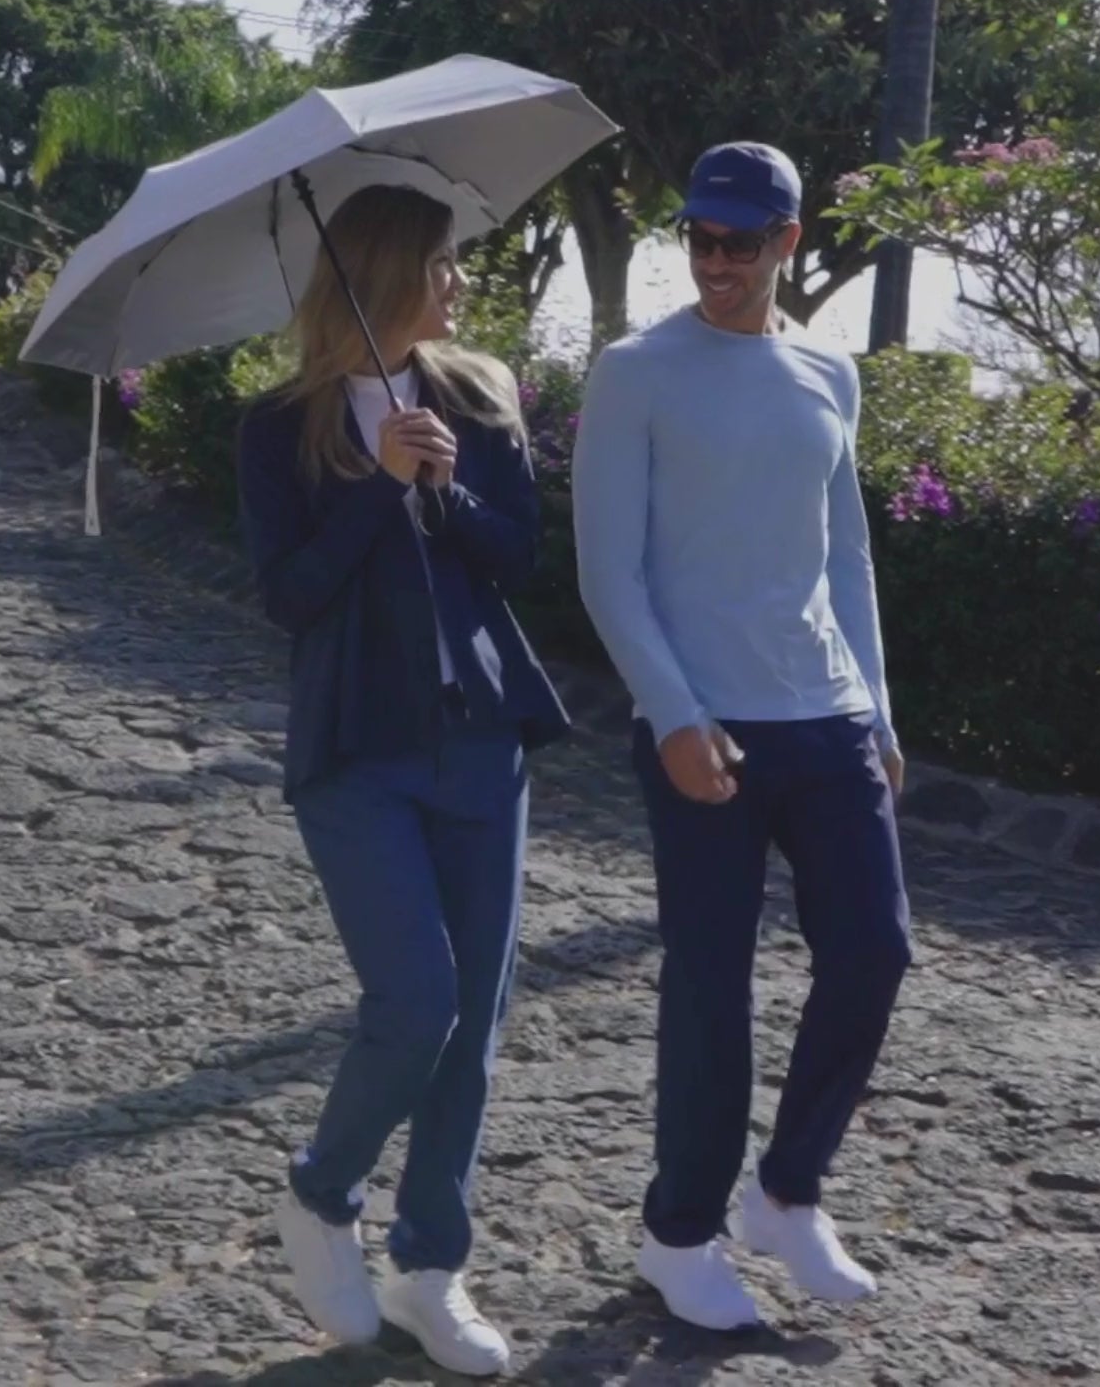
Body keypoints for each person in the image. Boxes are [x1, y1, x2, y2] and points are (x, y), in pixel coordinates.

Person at [571, 142, 912, 1332]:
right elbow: (607, 571)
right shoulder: (635, 372)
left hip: (825, 717)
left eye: (739, 242)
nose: (714, 262)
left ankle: (785, 1194)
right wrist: (672, 715)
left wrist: (876, 709)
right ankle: (679, 1235)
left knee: (873, 953)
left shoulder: (827, 371)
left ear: (787, 241)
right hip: (702, 726)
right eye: (699, 240)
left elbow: (844, 554)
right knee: (711, 989)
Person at [237, 183, 569, 1377]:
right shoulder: (279, 426)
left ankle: (430, 1270)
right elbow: (291, 597)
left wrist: (444, 486)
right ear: (383, 274)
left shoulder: (476, 396)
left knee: (470, 1028)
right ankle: (321, 1194)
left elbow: (517, 557)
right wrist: (378, 483)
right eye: (439, 264)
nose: (457, 283)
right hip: (355, 754)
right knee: (416, 1002)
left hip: (481, 742)